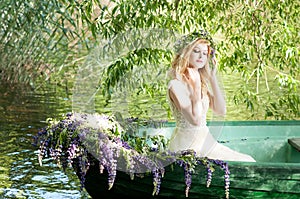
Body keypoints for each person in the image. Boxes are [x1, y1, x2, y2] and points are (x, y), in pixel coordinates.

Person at [167, 31, 255, 162]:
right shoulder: (176, 85)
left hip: (206, 141)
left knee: (248, 159)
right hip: (187, 147)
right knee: (245, 161)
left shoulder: (202, 84)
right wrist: (196, 87)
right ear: (186, 53)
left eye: (204, 53)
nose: (201, 56)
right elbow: (194, 120)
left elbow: (221, 110)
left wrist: (212, 79)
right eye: (196, 51)